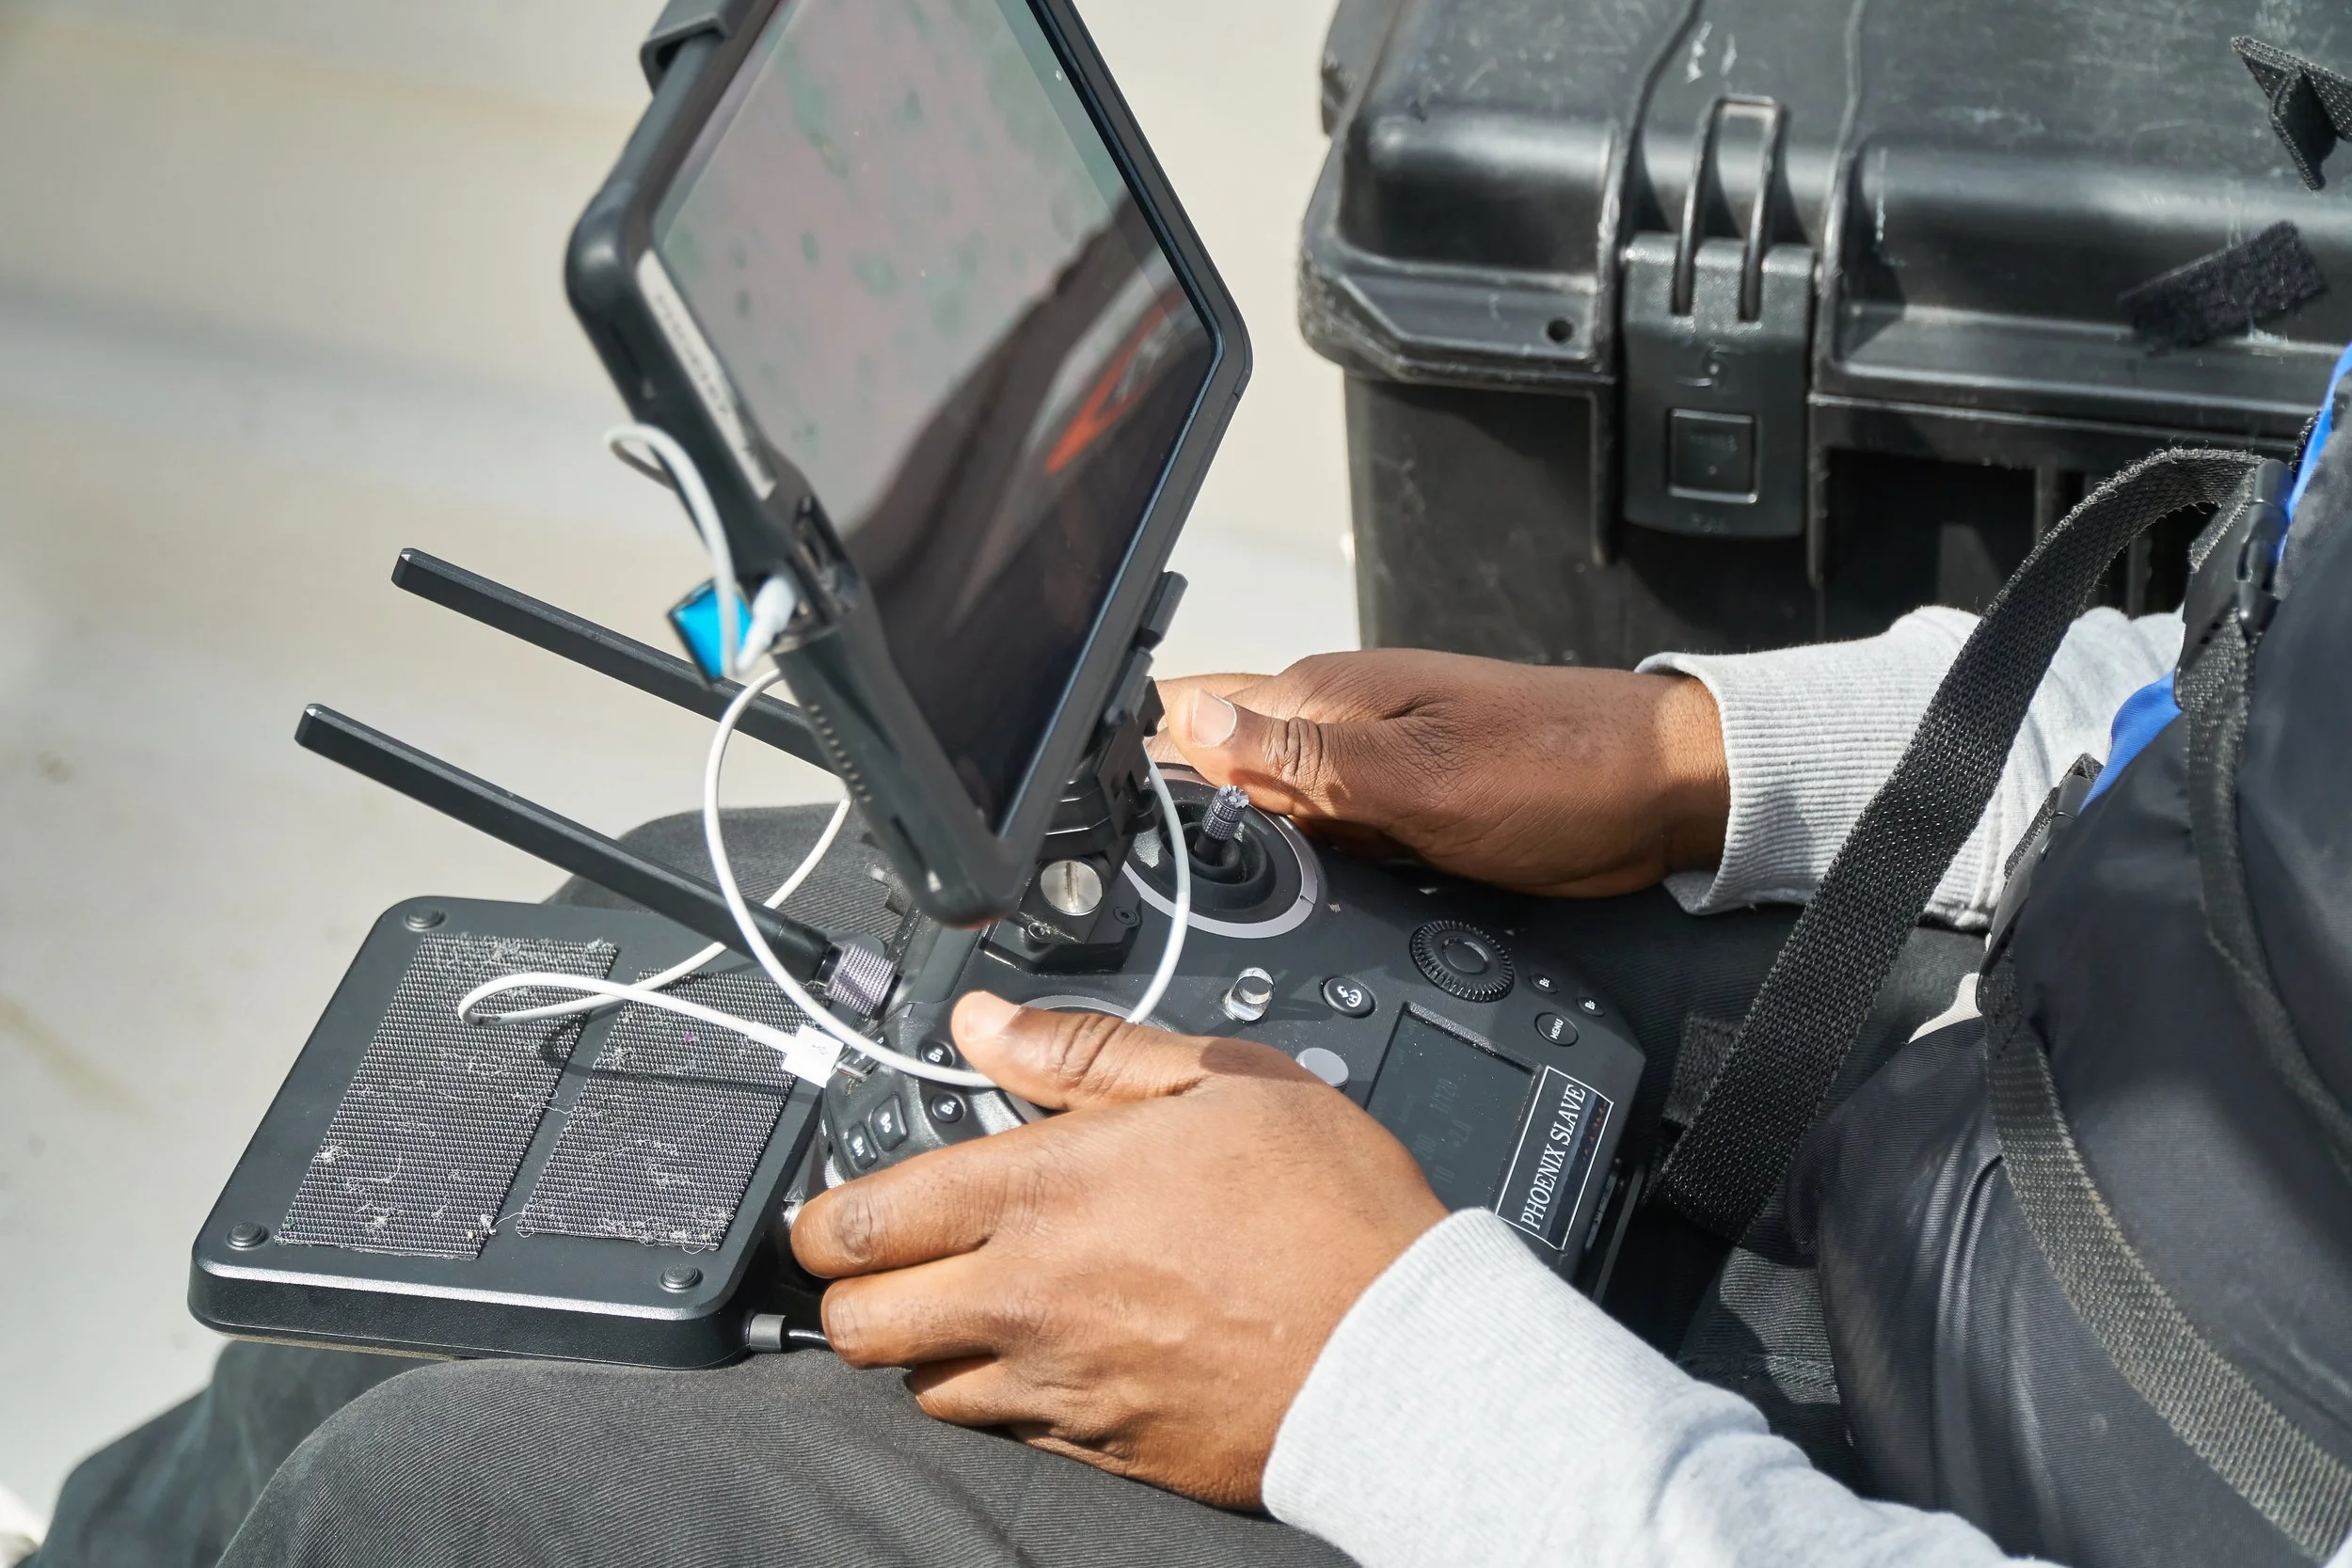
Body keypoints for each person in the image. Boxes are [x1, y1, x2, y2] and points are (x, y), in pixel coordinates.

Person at [32, 571, 2216, 1568]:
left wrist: (1382, 1369)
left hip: (1915, 1485)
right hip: (2007, 1075)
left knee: (440, 1507)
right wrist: (1700, 750)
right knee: (644, 1000)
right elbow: (2234, 670)